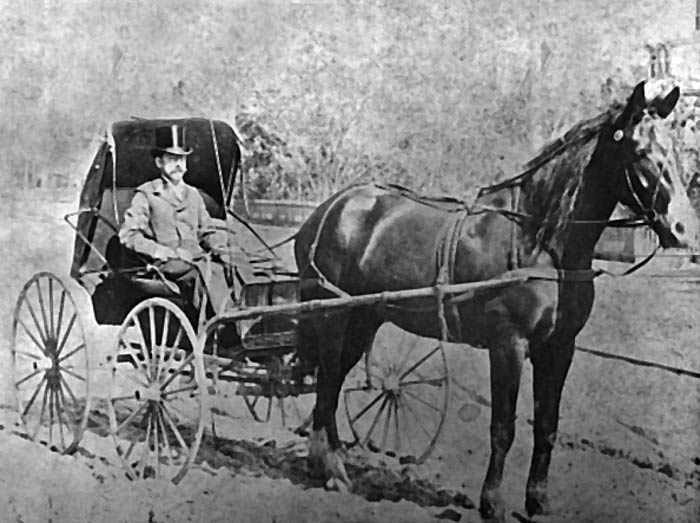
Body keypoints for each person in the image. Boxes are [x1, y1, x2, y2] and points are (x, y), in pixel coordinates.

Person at [119, 124, 230, 319]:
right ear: (159, 162)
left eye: (182, 159)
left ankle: (240, 322)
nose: (178, 164)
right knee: (199, 275)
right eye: (172, 159)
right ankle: (216, 326)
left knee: (230, 269)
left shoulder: (194, 195)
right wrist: (164, 252)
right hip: (166, 264)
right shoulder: (147, 194)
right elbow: (129, 235)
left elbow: (206, 231)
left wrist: (220, 248)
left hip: (196, 258)